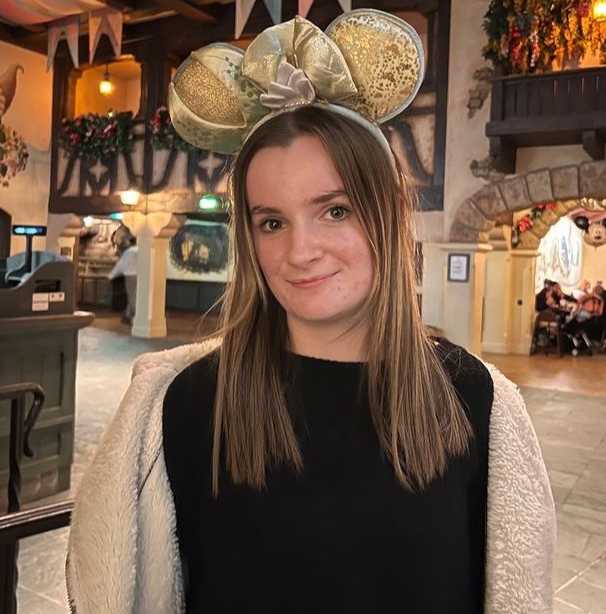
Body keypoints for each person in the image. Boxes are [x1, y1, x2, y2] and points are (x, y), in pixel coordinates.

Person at [66, 11, 555, 614]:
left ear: (390, 216)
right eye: (272, 222)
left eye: (335, 211)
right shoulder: (187, 404)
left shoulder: (476, 403)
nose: (300, 252)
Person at [107, 237, 138, 325]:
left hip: (131, 275)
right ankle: (128, 315)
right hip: (144, 275)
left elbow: (121, 264)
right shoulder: (146, 249)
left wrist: (111, 275)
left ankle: (135, 316)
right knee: (139, 296)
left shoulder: (130, 251)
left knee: (132, 296)